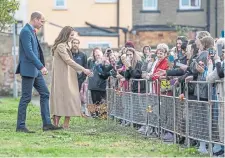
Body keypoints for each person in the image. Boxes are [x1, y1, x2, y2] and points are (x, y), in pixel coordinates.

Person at [15, 11, 62, 133]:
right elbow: (29, 52)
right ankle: (20, 126)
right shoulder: (25, 31)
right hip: (29, 69)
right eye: (41, 21)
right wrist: (41, 66)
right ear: (35, 19)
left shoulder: (31, 31)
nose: (42, 24)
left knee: (45, 93)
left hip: (35, 70)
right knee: (26, 97)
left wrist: (39, 68)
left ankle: (47, 124)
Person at [50, 26, 91, 129]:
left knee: (70, 98)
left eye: (74, 35)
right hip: (62, 78)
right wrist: (83, 69)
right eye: (71, 35)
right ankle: (57, 124)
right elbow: (68, 60)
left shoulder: (65, 45)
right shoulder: (61, 46)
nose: (73, 37)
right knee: (62, 99)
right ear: (66, 34)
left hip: (67, 77)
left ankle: (65, 124)